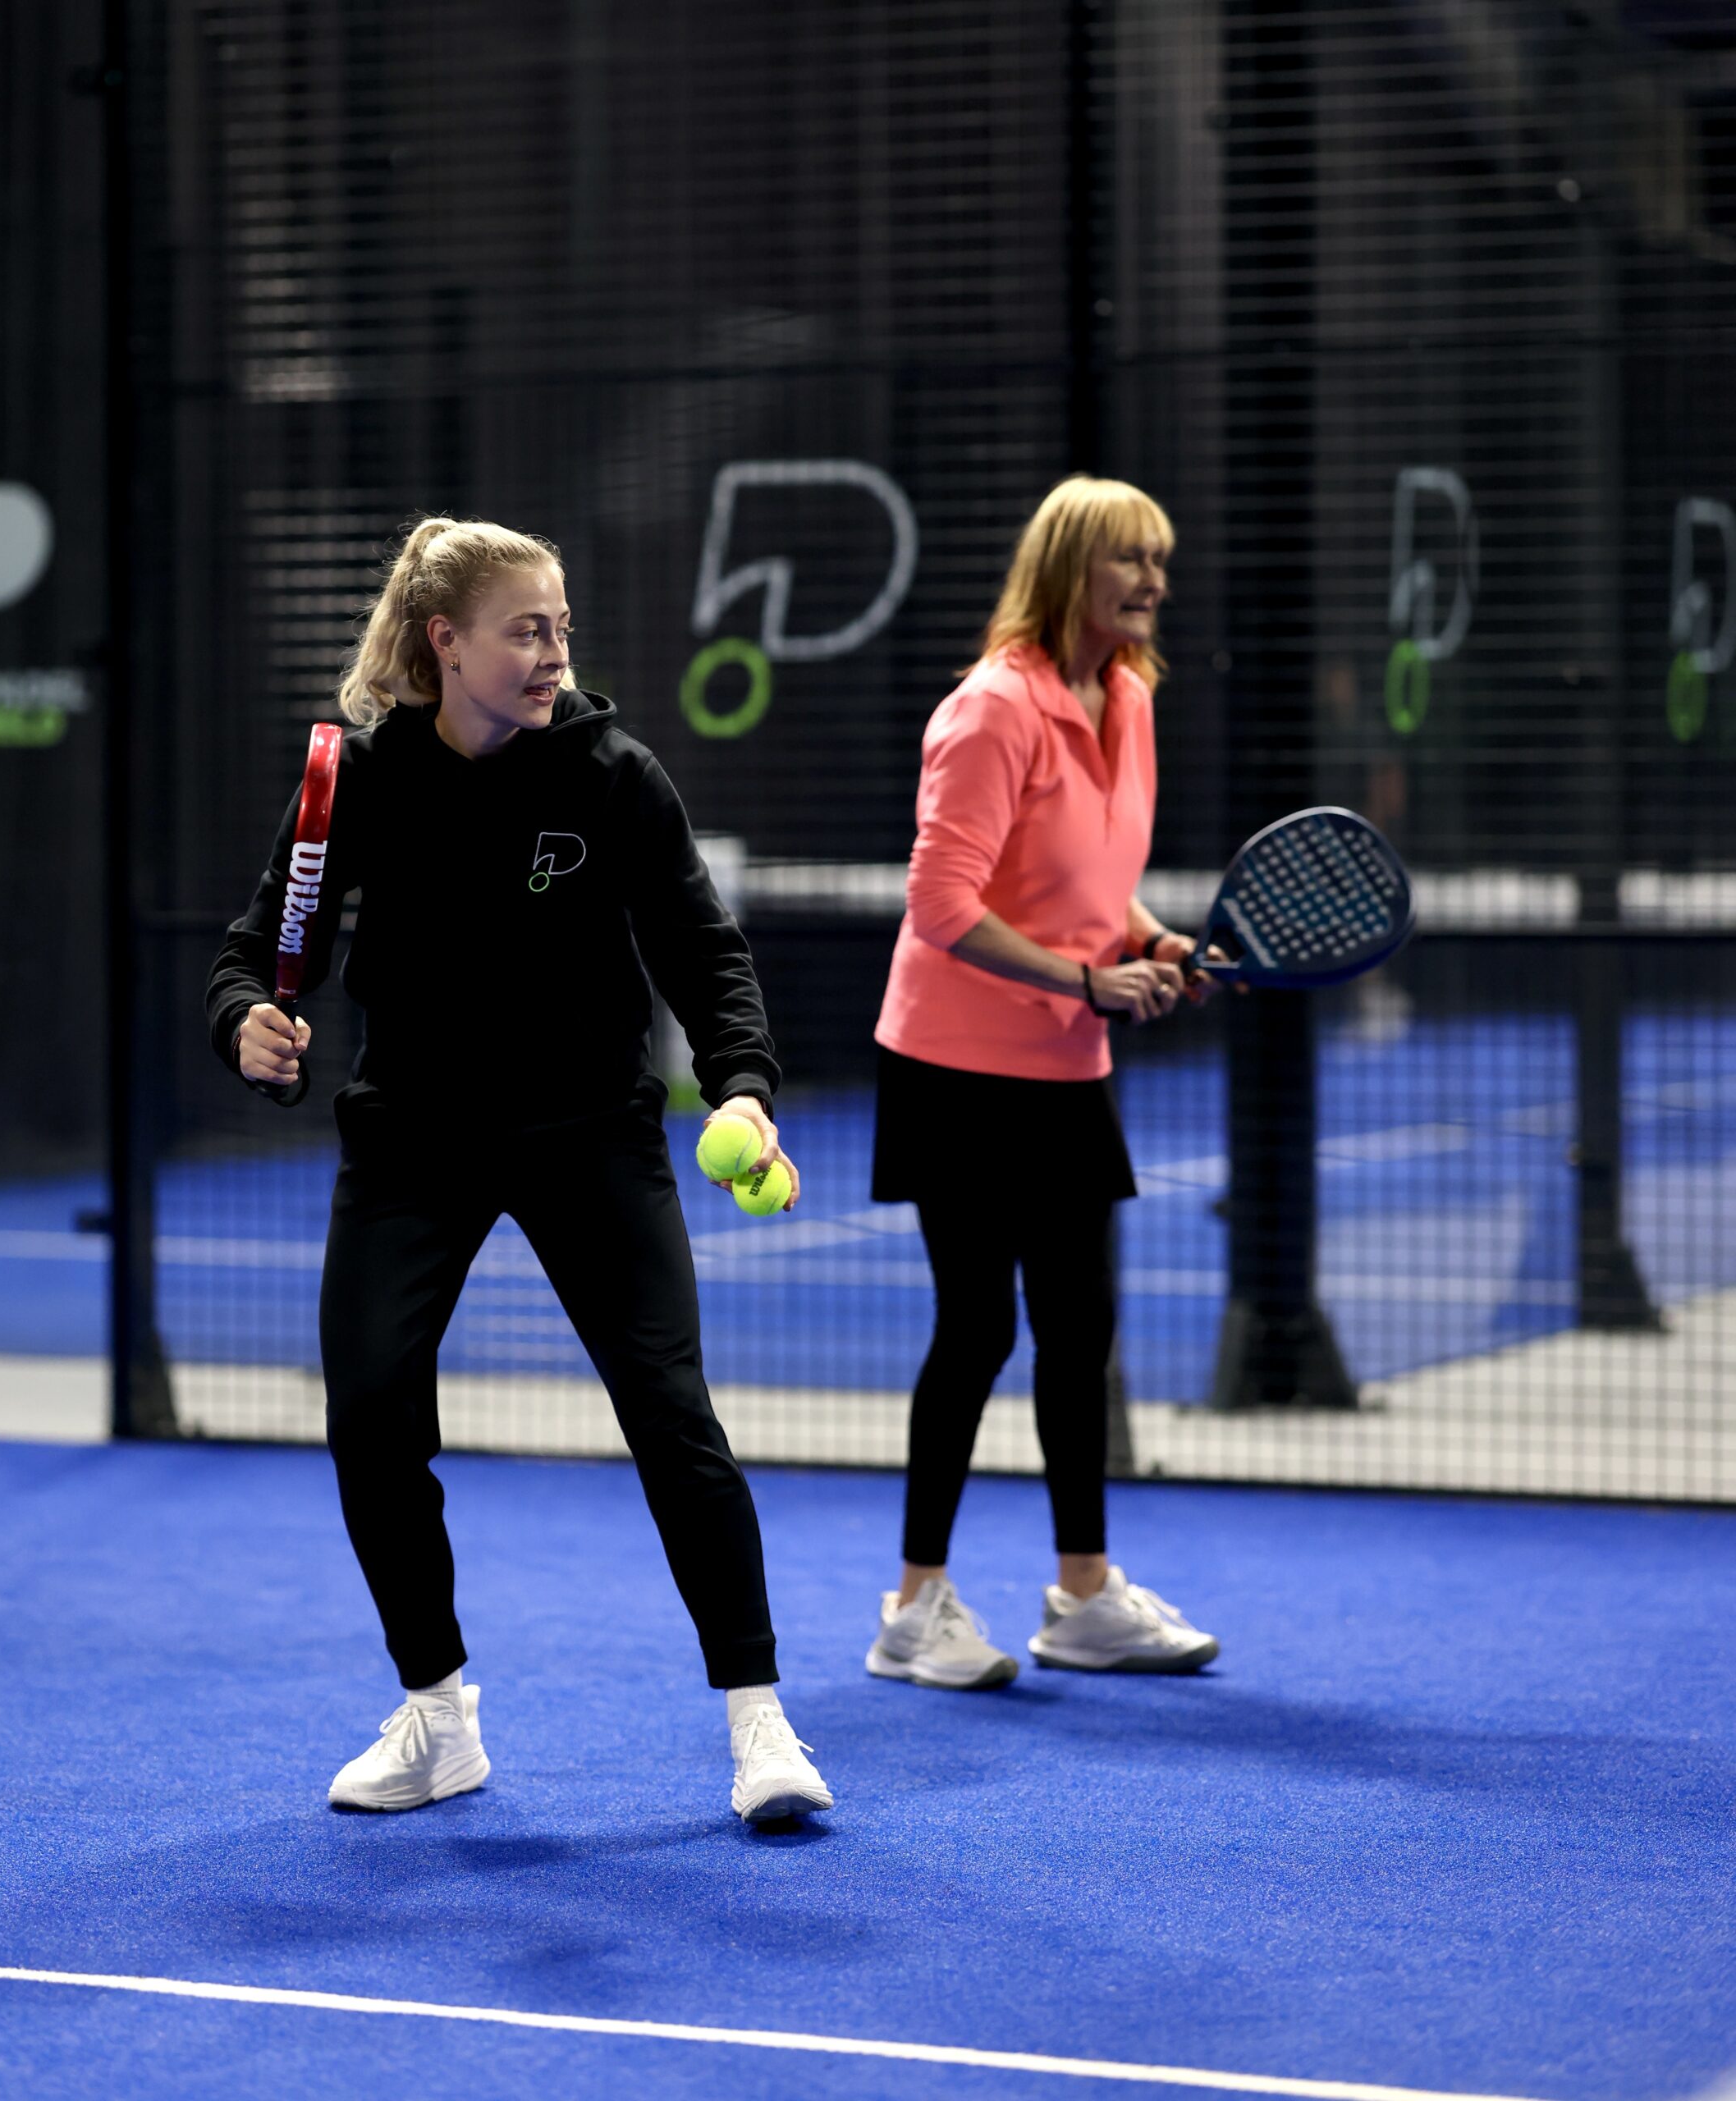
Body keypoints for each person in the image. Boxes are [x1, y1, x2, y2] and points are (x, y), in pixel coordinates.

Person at [206, 515, 832, 1824]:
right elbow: (259, 946)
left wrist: (744, 1085)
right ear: (446, 642)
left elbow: (702, 949)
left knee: (671, 1415)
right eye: (525, 631)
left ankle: (760, 1721)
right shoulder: (360, 780)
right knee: (370, 1414)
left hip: (589, 1133)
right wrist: (246, 1021)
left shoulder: (614, 775)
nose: (553, 653)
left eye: (561, 629)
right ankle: (437, 1718)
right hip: (413, 1138)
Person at [865, 474, 1222, 1690]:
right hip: (955, 1065)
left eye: (1160, 561)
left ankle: (1082, 1598)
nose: (1154, 581)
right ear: (1072, 567)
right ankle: (912, 1609)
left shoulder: (1128, 697)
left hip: (1066, 1062)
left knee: (1080, 1330)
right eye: (1131, 559)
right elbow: (941, 903)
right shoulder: (991, 710)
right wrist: (1086, 978)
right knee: (977, 1329)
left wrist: (1150, 940)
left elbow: (1089, 879)